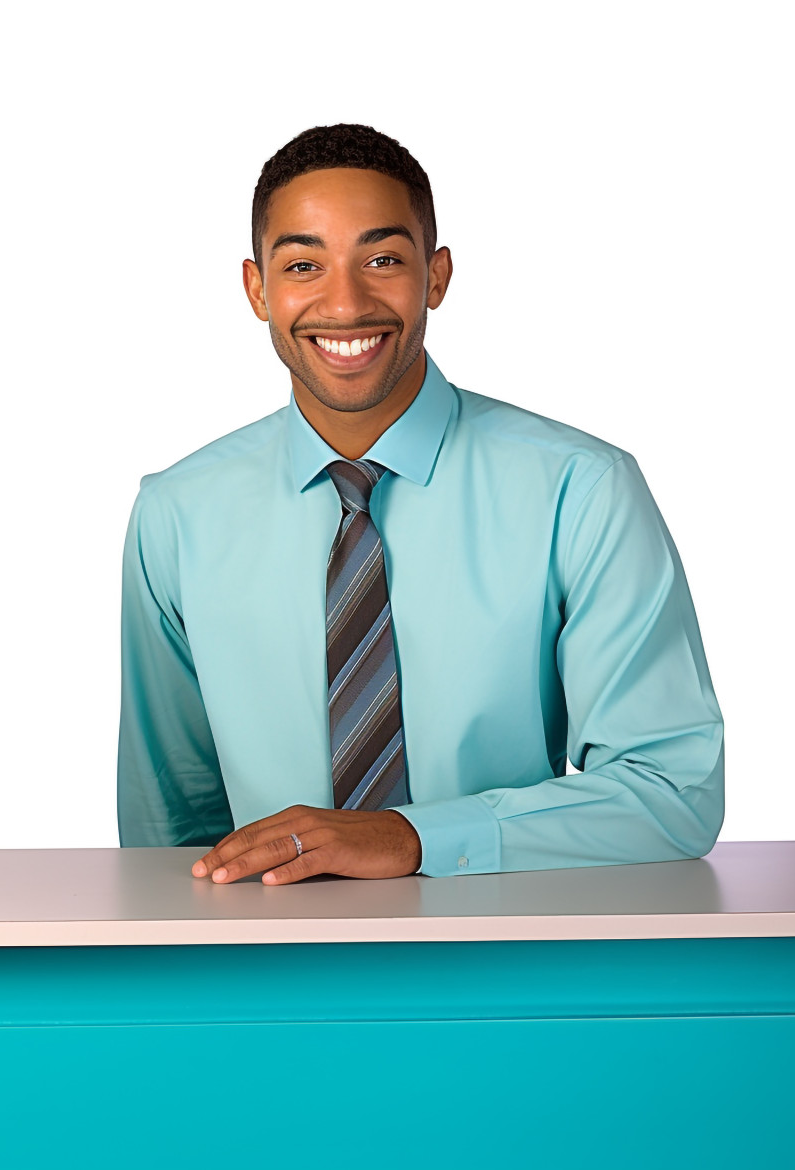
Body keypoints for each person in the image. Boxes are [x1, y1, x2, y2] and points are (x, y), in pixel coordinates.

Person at [116, 123, 724, 883]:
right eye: (304, 264)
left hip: (514, 961)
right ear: (257, 289)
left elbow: (672, 792)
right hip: (264, 974)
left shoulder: (582, 490)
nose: (345, 302)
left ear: (435, 277)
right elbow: (168, 830)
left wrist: (412, 838)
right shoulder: (178, 514)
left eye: (382, 259)